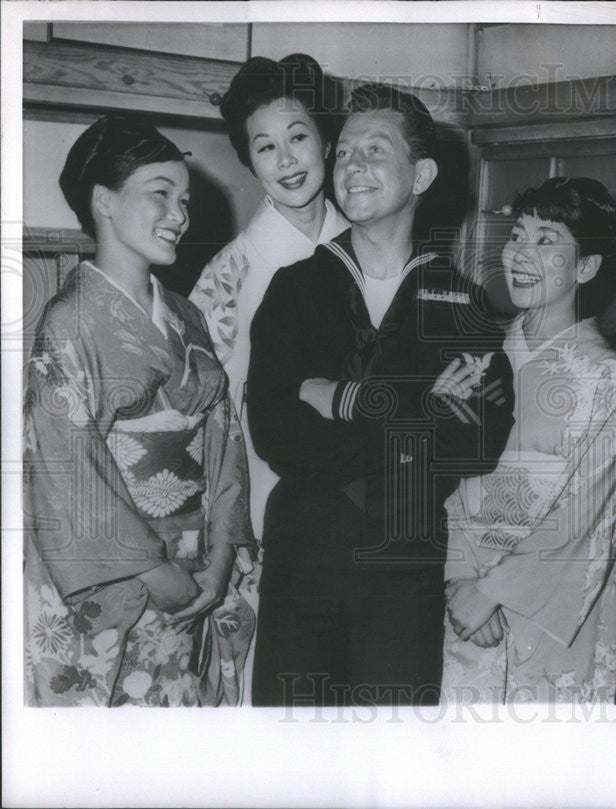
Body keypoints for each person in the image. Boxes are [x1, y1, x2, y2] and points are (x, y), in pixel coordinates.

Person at [247, 83, 515, 706]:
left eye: (375, 149)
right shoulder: (296, 288)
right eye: (343, 152)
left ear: (421, 173)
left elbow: (472, 445)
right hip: (302, 560)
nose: (352, 166)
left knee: (392, 761)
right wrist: (420, 408)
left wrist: (350, 400)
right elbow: (275, 430)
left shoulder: (463, 303)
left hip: (405, 565)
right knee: (290, 759)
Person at [23, 116, 254, 707]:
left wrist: (222, 554)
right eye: (160, 194)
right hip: (125, 580)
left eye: (184, 200)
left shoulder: (186, 314)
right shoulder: (70, 320)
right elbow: (65, 464)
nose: (180, 214)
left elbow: (225, 440)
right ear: (103, 200)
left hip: (198, 566)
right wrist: (154, 572)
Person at [187, 54, 349, 702]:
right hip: (267, 498)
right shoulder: (229, 274)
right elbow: (211, 416)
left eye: (299, 136)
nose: (286, 159)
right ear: (250, 162)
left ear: (326, 139)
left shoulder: (375, 245)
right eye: (265, 146)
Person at [441, 178, 616, 703]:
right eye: (517, 235)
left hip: (541, 610)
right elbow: (447, 470)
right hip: (461, 595)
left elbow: (591, 516)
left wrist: (492, 591)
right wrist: (460, 575)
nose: (521, 253)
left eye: (547, 239)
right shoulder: (482, 352)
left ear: (586, 267)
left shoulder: (606, 378)